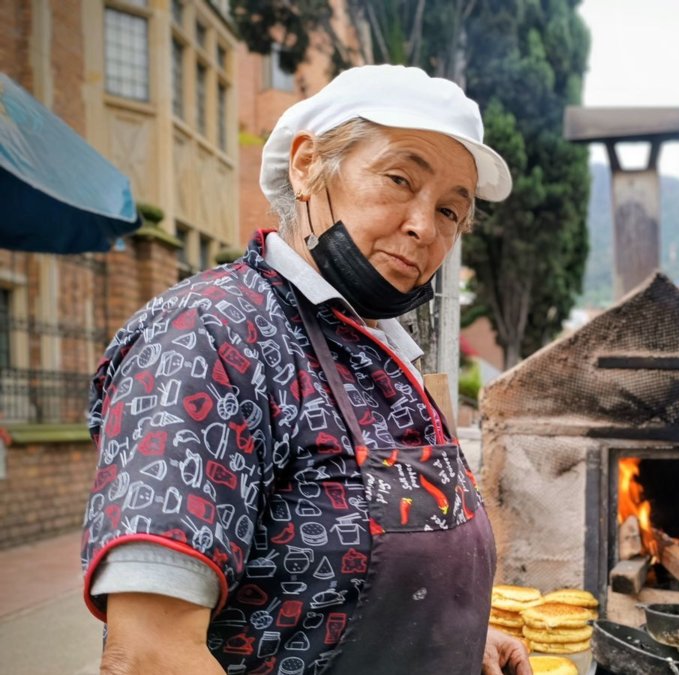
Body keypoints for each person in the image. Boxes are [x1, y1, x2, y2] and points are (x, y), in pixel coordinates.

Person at [80, 65, 532, 675]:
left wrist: (454, 638)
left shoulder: (383, 353)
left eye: (452, 211)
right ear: (306, 165)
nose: (425, 227)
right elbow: (148, 654)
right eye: (400, 178)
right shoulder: (211, 336)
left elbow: (330, 592)